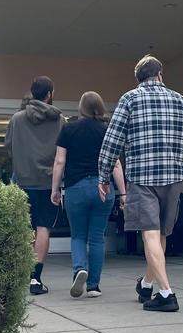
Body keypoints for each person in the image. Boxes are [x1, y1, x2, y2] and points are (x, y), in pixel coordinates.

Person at [97, 55, 183, 313]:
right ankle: (146, 285)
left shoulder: (129, 99)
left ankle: (166, 294)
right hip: (173, 177)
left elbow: (112, 141)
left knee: (150, 234)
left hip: (142, 177)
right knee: (160, 235)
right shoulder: (180, 100)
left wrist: (104, 175)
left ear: (138, 78)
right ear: (160, 74)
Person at [51, 91, 127, 298]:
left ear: (81, 108)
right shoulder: (107, 130)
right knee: (97, 237)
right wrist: (123, 193)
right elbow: (116, 164)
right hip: (103, 188)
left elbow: (60, 161)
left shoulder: (68, 129)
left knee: (78, 235)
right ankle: (94, 286)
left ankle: (79, 269)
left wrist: (55, 189)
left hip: (76, 188)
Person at [5, 75, 63, 295]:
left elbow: (8, 147)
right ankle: (35, 278)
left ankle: (20, 276)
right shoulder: (59, 120)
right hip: (48, 182)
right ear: (49, 94)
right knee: (43, 228)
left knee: (24, 229)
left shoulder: (17, 119)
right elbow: (63, 153)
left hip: (22, 180)